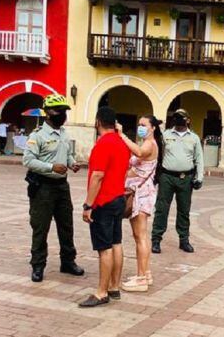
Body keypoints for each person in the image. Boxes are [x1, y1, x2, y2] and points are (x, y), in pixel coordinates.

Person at [22, 94, 85, 283]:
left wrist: (72, 163)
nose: (63, 115)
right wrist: (51, 167)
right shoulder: (37, 135)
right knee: (41, 227)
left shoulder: (64, 133)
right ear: (48, 113)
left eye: (65, 111)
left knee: (66, 226)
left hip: (62, 187)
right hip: (43, 187)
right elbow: (28, 160)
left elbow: (66, 155)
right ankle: (38, 265)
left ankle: (68, 261)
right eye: (60, 111)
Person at [79, 106, 131, 308]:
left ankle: (101, 292)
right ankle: (114, 286)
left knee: (104, 248)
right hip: (118, 198)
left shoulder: (102, 144)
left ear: (98, 122)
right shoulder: (121, 143)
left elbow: (97, 176)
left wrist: (88, 205)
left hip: (104, 201)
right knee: (116, 242)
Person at [117, 115, 162, 293]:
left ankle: (141, 278)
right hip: (140, 193)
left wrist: (122, 135)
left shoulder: (149, 144)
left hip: (142, 194)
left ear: (153, 128)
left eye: (144, 125)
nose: (140, 127)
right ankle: (145, 273)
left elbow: (139, 153)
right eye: (139, 124)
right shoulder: (146, 143)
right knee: (139, 236)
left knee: (140, 236)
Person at [151, 109, 204, 254]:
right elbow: (158, 155)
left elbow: (199, 159)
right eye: (176, 117)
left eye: (182, 117)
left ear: (188, 120)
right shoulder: (165, 135)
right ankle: (156, 239)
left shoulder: (194, 138)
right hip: (167, 177)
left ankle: (184, 240)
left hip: (185, 178)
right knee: (161, 208)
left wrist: (199, 178)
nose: (179, 120)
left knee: (184, 211)